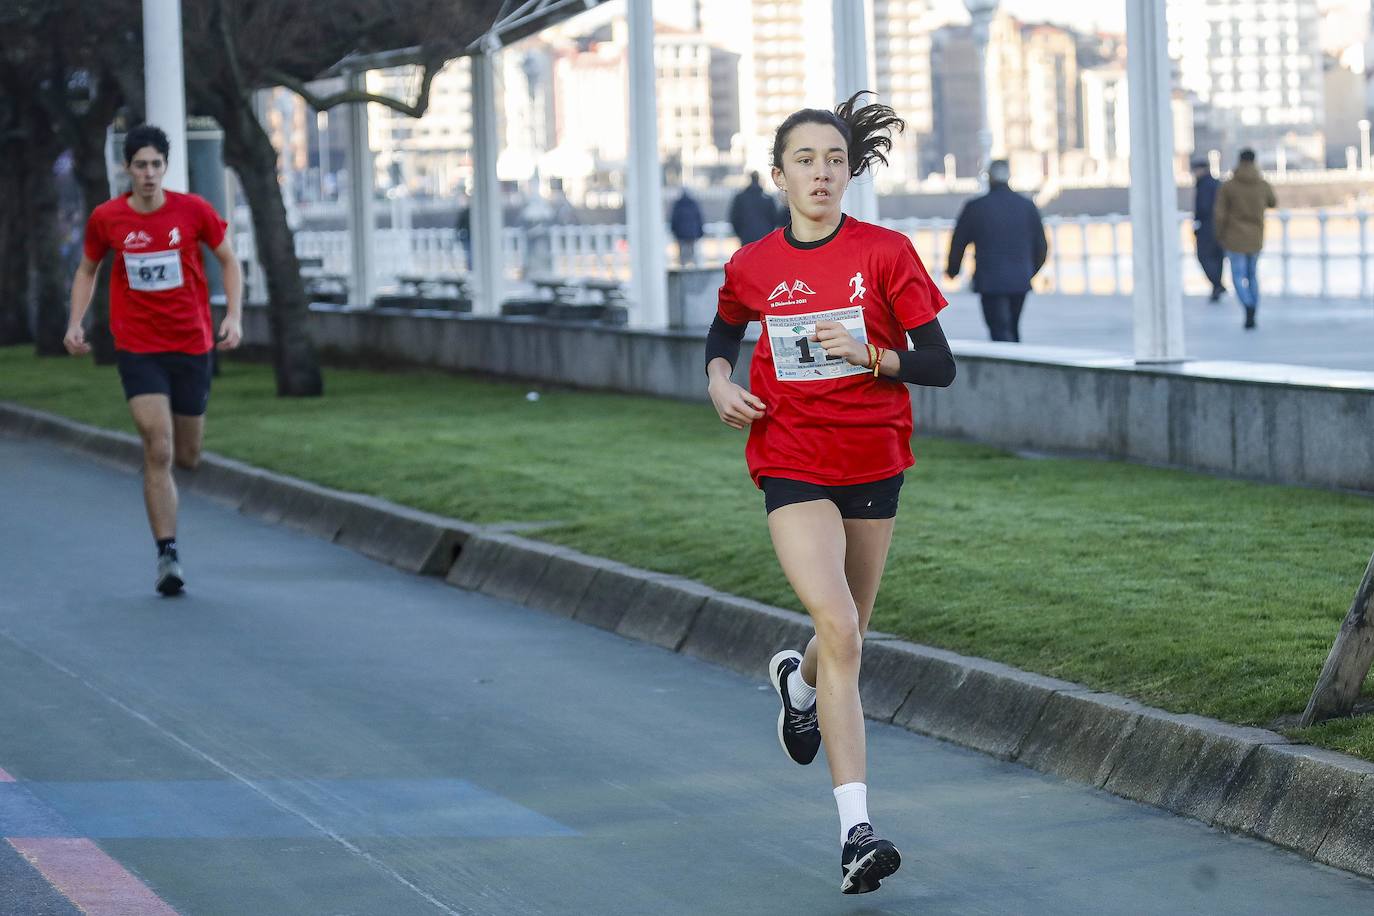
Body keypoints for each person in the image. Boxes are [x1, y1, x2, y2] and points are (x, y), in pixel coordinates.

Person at [705, 91, 956, 895]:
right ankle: (857, 833)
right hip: (791, 458)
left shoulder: (886, 253)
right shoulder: (753, 264)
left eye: (835, 160)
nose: (821, 172)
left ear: (851, 172)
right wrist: (718, 379)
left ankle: (798, 684)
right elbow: (724, 327)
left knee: (844, 632)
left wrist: (871, 353)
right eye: (806, 160)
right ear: (778, 174)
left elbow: (939, 363)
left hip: (874, 460)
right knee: (843, 626)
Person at [64, 124, 243, 596]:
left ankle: (168, 529)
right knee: (157, 446)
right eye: (140, 165)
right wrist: (74, 322)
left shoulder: (193, 211)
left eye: (156, 165)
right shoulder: (108, 218)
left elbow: (228, 260)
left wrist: (234, 316)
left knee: (187, 455)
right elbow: (87, 269)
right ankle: (167, 553)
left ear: (166, 167)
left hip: (191, 344)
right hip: (138, 346)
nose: (148, 173)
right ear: (127, 167)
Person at [945, 160, 1046, 342]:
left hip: (990, 280)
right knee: (1013, 326)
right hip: (1019, 279)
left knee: (999, 329)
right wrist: (1029, 272)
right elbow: (1041, 246)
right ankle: (1016, 361)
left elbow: (958, 242)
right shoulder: (1027, 206)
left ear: (989, 178)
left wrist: (953, 270)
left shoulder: (976, 207)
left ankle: (1009, 365)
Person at [1214, 148, 1276, 330]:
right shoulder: (1262, 184)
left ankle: (1247, 304)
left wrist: (1219, 234)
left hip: (1234, 236)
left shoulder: (1229, 186)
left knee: (1237, 276)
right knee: (1252, 274)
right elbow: (1273, 202)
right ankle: (1254, 306)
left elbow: (1219, 214)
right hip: (1256, 235)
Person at [1191, 156, 1226, 302]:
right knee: (1217, 257)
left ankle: (1217, 284)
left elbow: (1203, 207)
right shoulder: (1217, 183)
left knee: (1203, 256)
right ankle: (1216, 288)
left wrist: (1198, 222)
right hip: (1221, 226)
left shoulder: (1203, 185)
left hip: (1207, 226)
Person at [728, 170, 783, 245]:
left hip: (746, 237)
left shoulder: (740, 198)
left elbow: (734, 219)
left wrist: (741, 234)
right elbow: (774, 219)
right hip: (764, 238)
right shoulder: (768, 199)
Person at [669, 187, 705, 267]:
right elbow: (699, 219)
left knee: (682, 255)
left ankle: (683, 268)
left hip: (680, 234)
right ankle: (695, 268)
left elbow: (674, 220)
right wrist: (700, 232)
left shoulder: (677, 204)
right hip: (692, 234)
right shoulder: (693, 204)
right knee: (693, 252)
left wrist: (674, 231)